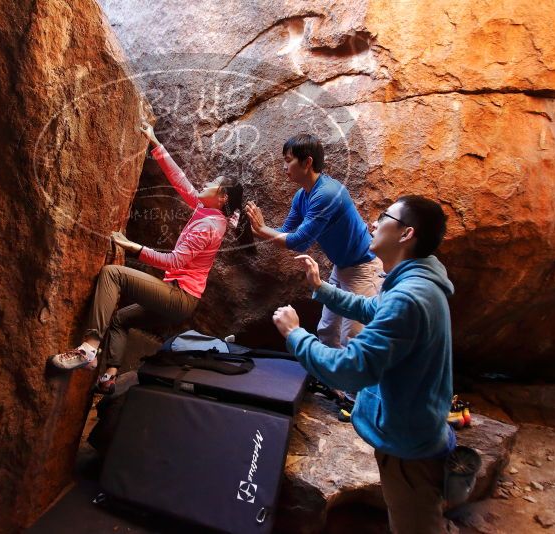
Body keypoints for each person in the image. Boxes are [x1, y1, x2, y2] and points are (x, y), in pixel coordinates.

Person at [271, 195, 456, 534]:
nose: (372, 222)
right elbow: (372, 310)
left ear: (406, 233)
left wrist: (296, 336)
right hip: (415, 433)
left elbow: (351, 369)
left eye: (384, 217)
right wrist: (321, 288)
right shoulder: (415, 284)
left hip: (409, 450)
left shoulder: (409, 298)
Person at [48, 121, 247, 394]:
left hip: (179, 297)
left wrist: (132, 247)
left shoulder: (208, 226)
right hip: (181, 297)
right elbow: (182, 184)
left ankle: (88, 350)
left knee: (112, 274)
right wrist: (155, 143)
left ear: (222, 197)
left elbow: (175, 261)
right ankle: (109, 376)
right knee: (120, 319)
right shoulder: (210, 212)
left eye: (212, 183)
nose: (205, 183)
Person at [245, 134, 382, 349]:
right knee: (327, 331)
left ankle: (350, 384)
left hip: (364, 268)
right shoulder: (302, 196)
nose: (284, 167)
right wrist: (249, 229)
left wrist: (262, 229)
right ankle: (331, 382)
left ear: (307, 162)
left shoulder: (326, 193)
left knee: (354, 338)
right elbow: (285, 231)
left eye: (288, 160)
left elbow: (299, 242)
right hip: (342, 267)